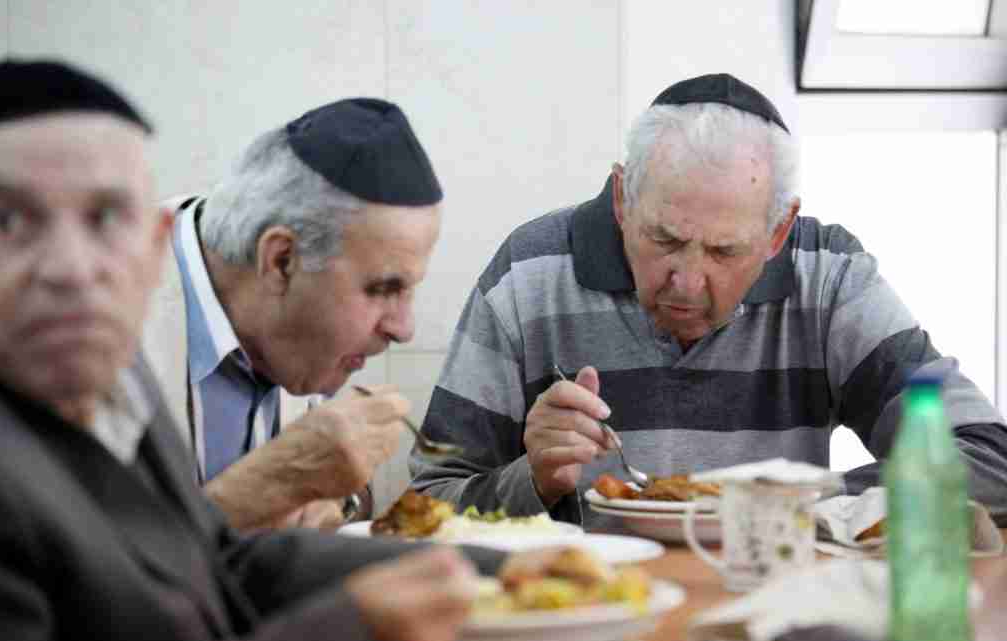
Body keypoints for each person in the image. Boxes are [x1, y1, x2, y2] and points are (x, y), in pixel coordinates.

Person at [0, 58, 502, 641]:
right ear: (278, 260)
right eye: (6, 219)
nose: (72, 269)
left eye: (107, 218)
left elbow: (213, 561)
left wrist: (488, 572)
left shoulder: (104, 365)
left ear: (153, 245)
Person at [409, 73, 1007, 529]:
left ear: (778, 234)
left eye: (724, 252)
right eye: (664, 240)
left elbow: (988, 462)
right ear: (623, 200)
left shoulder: (828, 276)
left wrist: (788, 500)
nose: (687, 282)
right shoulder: (529, 274)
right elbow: (422, 511)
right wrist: (532, 481)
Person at [142, 96, 445, 529]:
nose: (404, 329)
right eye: (383, 288)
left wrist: (341, 502)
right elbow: (73, 574)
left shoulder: (292, 330)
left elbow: (333, 496)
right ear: (282, 261)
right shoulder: (99, 324)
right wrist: (268, 487)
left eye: (409, 290)